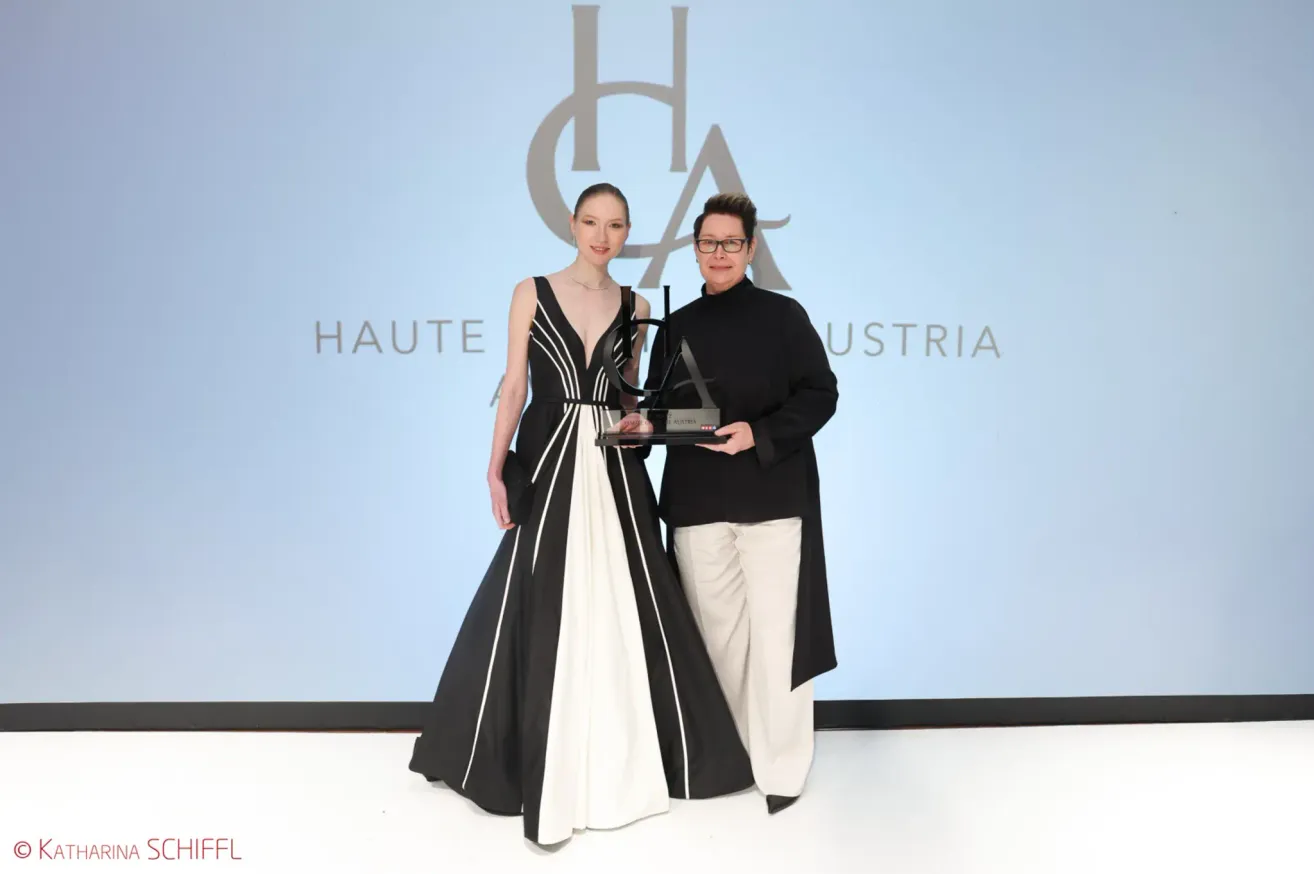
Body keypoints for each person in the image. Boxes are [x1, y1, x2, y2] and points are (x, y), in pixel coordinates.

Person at [407, 183, 753, 848]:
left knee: (629, 592)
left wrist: (638, 420)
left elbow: (627, 393)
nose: (602, 235)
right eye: (591, 222)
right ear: (572, 223)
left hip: (614, 465)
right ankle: (535, 753)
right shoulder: (530, 292)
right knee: (540, 594)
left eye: (616, 225)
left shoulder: (638, 305)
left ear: (628, 233)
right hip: (551, 459)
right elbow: (514, 384)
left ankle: (628, 752)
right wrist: (494, 465)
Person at [625, 192, 839, 815]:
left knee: (778, 640)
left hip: (772, 498)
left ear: (750, 248)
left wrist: (759, 434)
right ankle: (728, 757)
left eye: (731, 243)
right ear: (694, 250)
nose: (718, 254)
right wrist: (640, 430)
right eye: (707, 243)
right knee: (714, 641)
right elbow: (667, 412)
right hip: (696, 504)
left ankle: (782, 767)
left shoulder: (783, 316)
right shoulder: (680, 325)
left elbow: (820, 393)